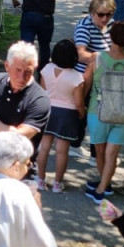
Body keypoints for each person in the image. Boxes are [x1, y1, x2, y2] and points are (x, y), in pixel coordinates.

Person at [0, 42, 49, 173]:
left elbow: (18, 138)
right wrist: (2, 139)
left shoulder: (40, 99)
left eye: (28, 71)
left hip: (19, 171)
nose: (22, 77)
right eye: (18, 70)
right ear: (7, 66)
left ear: (35, 68)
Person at [84, 21, 124, 203]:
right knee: (112, 153)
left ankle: (102, 189)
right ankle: (104, 183)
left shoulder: (97, 58)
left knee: (100, 151)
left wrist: (82, 104)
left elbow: (86, 83)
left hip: (98, 110)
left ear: (110, 36)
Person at [34, 39, 85, 193]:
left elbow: (42, 91)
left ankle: (40, 180)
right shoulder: (76, 77)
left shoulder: (47, 69)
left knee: (43, 148)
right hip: (67, 113)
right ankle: (57, 183)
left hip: (47, 109)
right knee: (62, 151)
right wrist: (81, 114)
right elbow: (78, 102)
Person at [10, 0, 70, 70]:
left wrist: (15, 2)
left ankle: (25, 70)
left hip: (28, 16)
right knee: (44, 46)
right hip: (45, 18)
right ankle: (43, 72)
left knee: (26, 47)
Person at [74, 0, 115, 73]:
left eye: (109, 14)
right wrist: (107, 59)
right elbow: (80, 54)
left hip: (106, 69)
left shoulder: (111, 24)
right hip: (87, 72)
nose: (105, 18)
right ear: (92, 13)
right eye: (101, 15)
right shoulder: (84, 27)